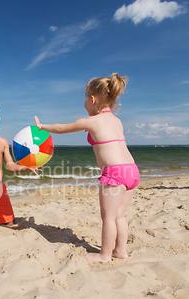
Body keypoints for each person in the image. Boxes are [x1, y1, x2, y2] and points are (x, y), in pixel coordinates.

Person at [34, 73, 139, 262]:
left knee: (107, 217)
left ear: (93, 99)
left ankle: (105, 255)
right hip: (131, 169)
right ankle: (121, 251)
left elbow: (60, 128)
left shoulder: (90, 121)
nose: (84, 103)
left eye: (85, 99)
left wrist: (42, 126)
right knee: (119, 216)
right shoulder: (117, 121)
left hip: (114, 172)